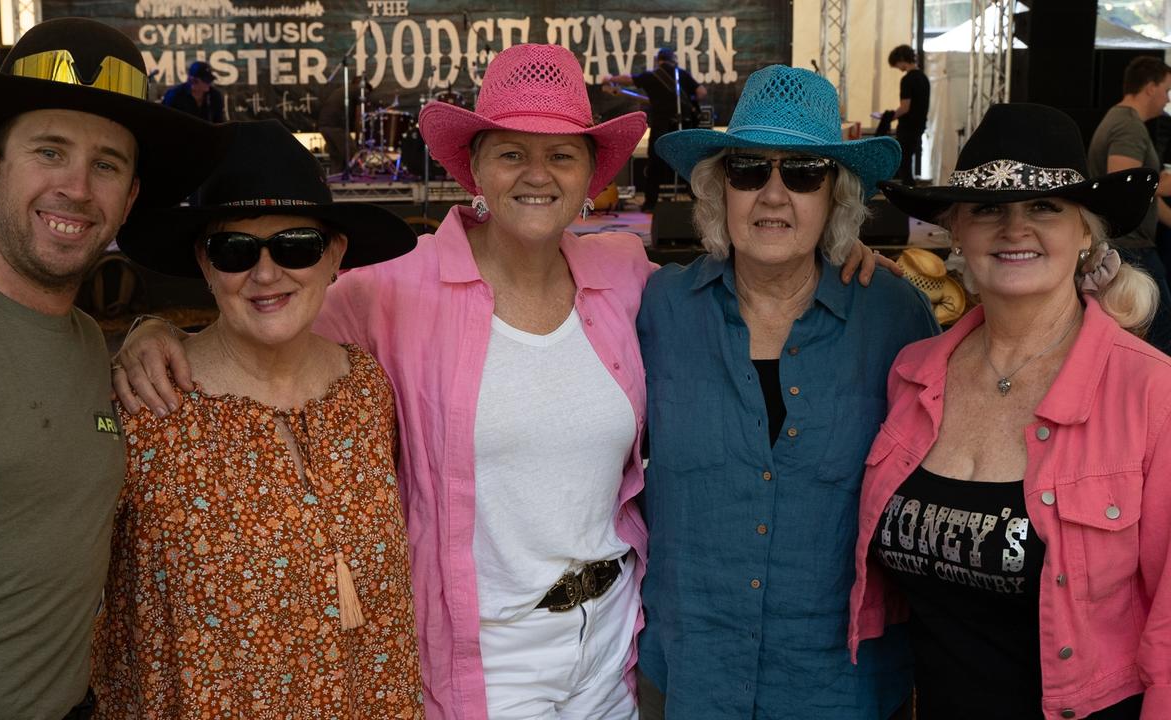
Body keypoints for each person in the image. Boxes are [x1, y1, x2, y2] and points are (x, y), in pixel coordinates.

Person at [114, 46, 886, 720]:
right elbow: (272, 307)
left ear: (591, 173)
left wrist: (849, 258)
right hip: (487, 653)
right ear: (474, 167)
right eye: (511, 152)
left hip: (613, 640)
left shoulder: (624, 277)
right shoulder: (396, 291)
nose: (537, 175)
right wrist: (159, 337)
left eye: (562, 155)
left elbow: (755, 278)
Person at [0, 18, 222, 719]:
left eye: (106, 165)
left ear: (129, 199)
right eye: (49, 151)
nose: (76, 187)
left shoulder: (87, 346)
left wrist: (149, 324)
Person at [91, 120, 423, 717]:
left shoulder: (367, 389)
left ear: (335, 256)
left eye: (296, 245)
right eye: (235, 250)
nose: (266, 274)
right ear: (204, 263)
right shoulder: (147, 405)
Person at [635, 65, 938, 720]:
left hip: (839, 688)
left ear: (836, 196)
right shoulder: (659, 309)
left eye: (803, 173)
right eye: (748, 170)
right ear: (720, 190)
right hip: (692, 682)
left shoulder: (894, 317)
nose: (774, 194)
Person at [851, 103, 1169, 719]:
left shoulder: (1150, 395)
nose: (1013, 228)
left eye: (1044, 207)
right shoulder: (912, 374)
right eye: (989, 208)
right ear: (956, 230)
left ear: (1086, 233)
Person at [1087, 55, 1171, 354]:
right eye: (1166, 90)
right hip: (1130, 246)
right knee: (1158, 329)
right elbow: (1125, 185)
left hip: (1134, 243)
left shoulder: (1125, 122)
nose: (1166, 98)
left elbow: (1145, 196)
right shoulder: (1128, 127)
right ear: (1150, 87)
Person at [604, 48, 708, 213]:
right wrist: (688, 101)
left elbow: (629, 79)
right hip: (683, 127)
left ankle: (650, 204)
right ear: (673, 60)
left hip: (661, 127)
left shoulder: (651, 76)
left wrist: (611, 78)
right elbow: (701, 92)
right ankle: (698, 203)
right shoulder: (680, 74)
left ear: (658, 61)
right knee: (686, 164)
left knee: (655, 166)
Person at [888, 44, 929, 186]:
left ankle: (908, 193)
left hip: (908, 127)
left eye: (897, 64)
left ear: (901, 59)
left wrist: (889, 117)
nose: (898, 68)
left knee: (904, 163)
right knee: (908, 161)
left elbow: (905, 108)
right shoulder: (924, 78)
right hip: (919, 126)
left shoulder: (907, 80)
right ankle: (910, 189)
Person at [162, 60, 227, 123]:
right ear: (192, 81)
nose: (209, 83)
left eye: (210, 80)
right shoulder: (174, 95)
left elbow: (219, 122)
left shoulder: (214, 96)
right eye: (206, 80)